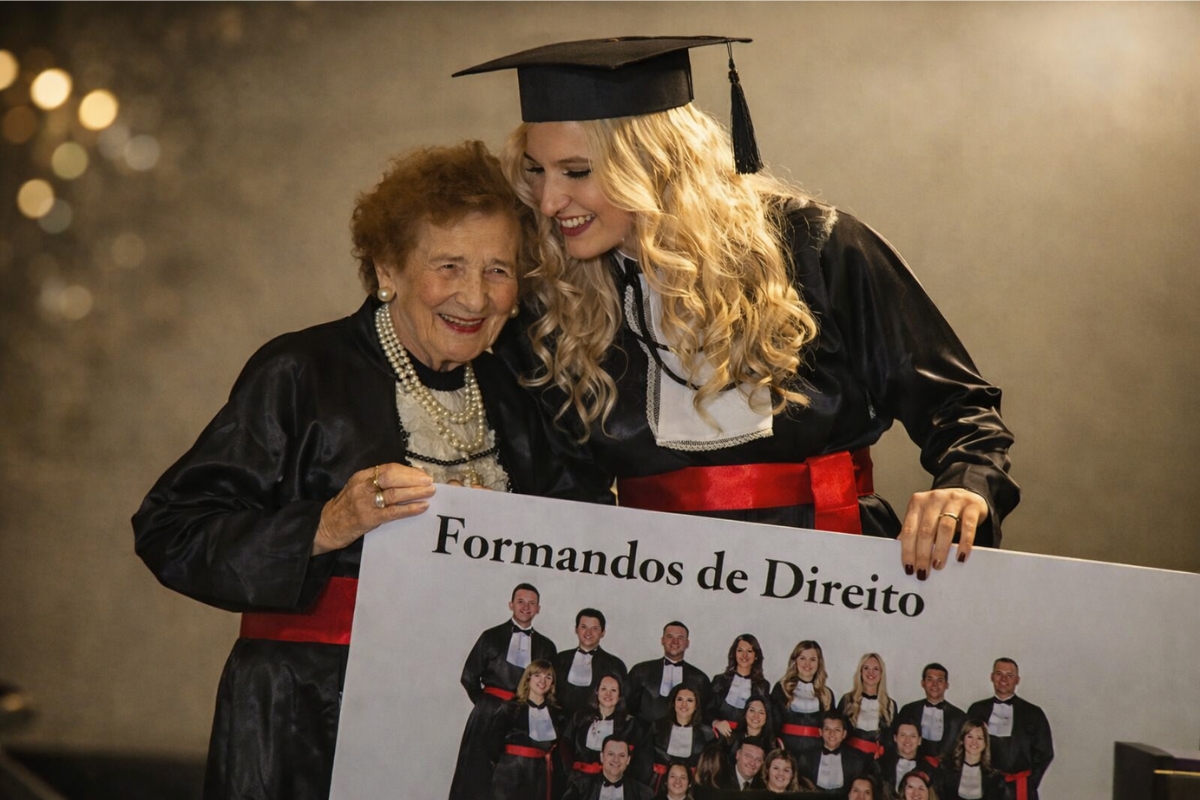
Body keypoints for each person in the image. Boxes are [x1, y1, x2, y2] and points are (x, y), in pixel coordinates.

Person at [131, 141, 613, 800]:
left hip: (464, 718)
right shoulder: (300, 371)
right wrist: (327, 525)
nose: (475, 296)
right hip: (306, 716)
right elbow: (171, 530)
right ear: (388, 268)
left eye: (498, 270)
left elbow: (581, 525)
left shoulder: (517, 389)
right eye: (449, 266)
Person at [455, 35, 1020, 580]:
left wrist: (964, 488)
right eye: (537, 170)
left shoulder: (816, 246)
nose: (550, 201)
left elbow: (960, 409)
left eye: (577, 172)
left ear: (655, 163)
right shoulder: (556, 299)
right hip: (659, 594)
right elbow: (566, 500)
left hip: (839, 578)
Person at [452, 583, 559, 799]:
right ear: (511, 604)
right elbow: (469, 677)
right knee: (476, 775)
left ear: (539, 608)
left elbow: (546, 683)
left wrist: (519, 708)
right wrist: (488, 706)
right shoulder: (490, 637)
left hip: (527, 717)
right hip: (487, 715)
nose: (526, 607)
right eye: (521, 601)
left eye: (532, 603)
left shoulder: (547, 647)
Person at [964, 659, 1053, 800]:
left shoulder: (1033, 713)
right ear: (992, 677)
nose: (1003, 679)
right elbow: (965, 746)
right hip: (983, 787)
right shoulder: (976, 710)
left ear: (1017, 680)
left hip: (1020, 788)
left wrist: (1028, 782)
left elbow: (1044, 752)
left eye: (1009, 675)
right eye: (999, 673)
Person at [489, 660, 566, 800]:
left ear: (552, 683)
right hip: (511, 773)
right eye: (537, 675)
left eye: (548, 677)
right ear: (528, 679)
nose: (543, 681)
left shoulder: (557, 714)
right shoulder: (510, 708)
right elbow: (492, 744)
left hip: (540, 775)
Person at [562, 674, 643, 787]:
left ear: (620, 695)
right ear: (597, 692)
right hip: (578, 782)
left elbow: (635, 759)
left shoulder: (630, 724)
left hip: (611, 783)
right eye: (603, 689)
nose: (608, 694)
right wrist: (570, 771)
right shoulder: (580, 717)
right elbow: (566, 743)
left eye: (613, 690)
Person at [625, 621, 712, 727]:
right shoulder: (641, 671)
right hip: (645, 737)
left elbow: (705, 714)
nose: (675, 641)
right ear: (662, 640)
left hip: (685, 737)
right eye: (670, 636)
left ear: (687, 643)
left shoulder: (700, 678)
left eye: (680, 638)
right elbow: (627, 705)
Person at [555, 608, 631, 717]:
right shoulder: (560, 659)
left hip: (596, 726)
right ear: (576, 629)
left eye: (595, 628)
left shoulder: (615, 664)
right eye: (584, 627)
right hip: (560, 724)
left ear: (603, 633)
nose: (588, 632)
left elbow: (621, 701)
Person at [772, 640, 835, 763]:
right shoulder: (782, 688)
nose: (807, 663)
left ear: (819, 663)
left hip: (816, 755)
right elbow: (773, 726)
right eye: (802, 658)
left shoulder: (826, 695)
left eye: (812, 659)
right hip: (786, 752)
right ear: (795, 661)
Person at [896, 663, 966, 767]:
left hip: (946, 773)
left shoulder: (959, 717)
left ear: (947, 685)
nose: (935, 684)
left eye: (940, 680)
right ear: (922, 683)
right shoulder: (908, 710)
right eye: (930, 679)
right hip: (912, 770)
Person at [648, 685, 715, 791]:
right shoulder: (657, 727)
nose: (684, 704)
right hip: (658, 785)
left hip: (693, 787)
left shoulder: (707, 734)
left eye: (689, 700)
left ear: (696, 705)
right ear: (673, 703)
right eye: (679, 699)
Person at [709, 634, 772, 739]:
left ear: (756, 656)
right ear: (734, 653)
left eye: (749, 651)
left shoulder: (763, 686)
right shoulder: (720, 681)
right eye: (740, 650)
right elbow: (708, 709)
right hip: (719, 736)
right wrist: (716, 722)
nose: (744, 655)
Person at [838, 653, 898, 759]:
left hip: (878, 763)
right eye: (866, 668)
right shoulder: (847, 700)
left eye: (876, 669)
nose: (871, 672)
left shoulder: (890, 705)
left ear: (881, 673)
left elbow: (892, 742)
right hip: (849, 760)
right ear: (860, 671)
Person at [798, 710, 871, 794]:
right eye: (827, 729)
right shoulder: (806, 758)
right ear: (820, 732)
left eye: (837, 730)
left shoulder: (856, 760)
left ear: (844, 734)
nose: (832, 733)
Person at [562, 735, 655, 800]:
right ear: (602, 757)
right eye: (611, 754)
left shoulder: (644, 794)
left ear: (628, 760)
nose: (616, 760)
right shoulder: (580, 787)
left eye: (622, 755)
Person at [934, 720, 1005, 800]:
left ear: (986, 743)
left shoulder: (994, 776)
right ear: (962, 739)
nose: (974, 742)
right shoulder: (945, 768)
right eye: (970, 737)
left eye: (979, 738)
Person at [726, 695, 780, 760]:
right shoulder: (731, 738)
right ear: (745, 713)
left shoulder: (772, 744)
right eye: (752, 710)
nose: (756, 716)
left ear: (767, 717)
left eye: (761, 712)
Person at [878, 723, 925, 796]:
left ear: (919, 740)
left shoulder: (927, 768)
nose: (907, 740)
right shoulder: (880, 764)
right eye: (903, 735)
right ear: (895, 738)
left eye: (913, 736)